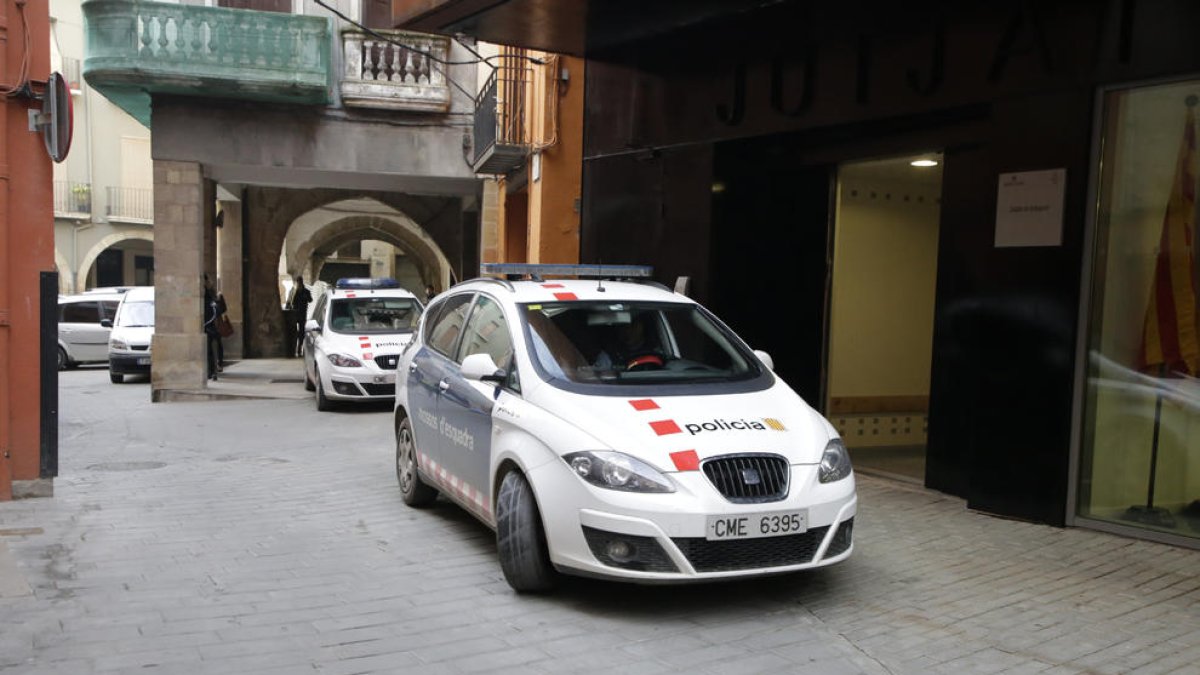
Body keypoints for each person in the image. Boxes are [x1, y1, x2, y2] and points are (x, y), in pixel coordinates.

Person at [287, 274, 312, 358]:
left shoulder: (305, 291)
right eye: (298, 282)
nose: (299, 284)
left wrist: (306, 297)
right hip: (296, 315)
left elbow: (310, 300)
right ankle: (294, 349)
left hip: (301, 315)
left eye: (299, 282)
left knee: (301, 332)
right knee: (295, 332)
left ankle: (299, 349)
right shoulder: (295, 292)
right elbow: (292, 302)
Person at [203, 278, 220, 380]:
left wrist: (206, 324)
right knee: (209, 351)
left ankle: (212, 371)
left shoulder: (210, 297)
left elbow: (215, 312)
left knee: (210, 351)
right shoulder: (207, 296)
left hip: (209, 328)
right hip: (206, 326)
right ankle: (210, 371)